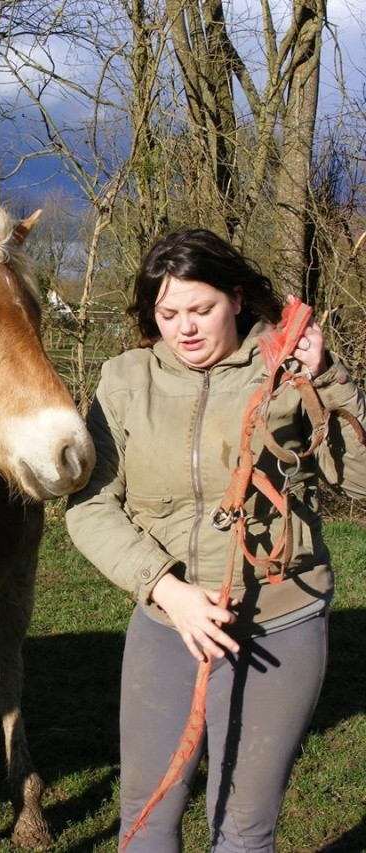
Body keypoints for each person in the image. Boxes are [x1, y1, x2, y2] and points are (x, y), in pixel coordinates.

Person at [65, 229, 366, 853]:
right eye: (167, 313)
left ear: (235, 299)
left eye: (201, 310)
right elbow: (90, 507)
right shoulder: (125, 381)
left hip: (278, 624)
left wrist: (328, 379)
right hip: (167, 626)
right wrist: (165, 590)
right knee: (145, 820)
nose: (185, 329)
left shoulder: (284, 368)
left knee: (243, 829)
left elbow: (361, 482)